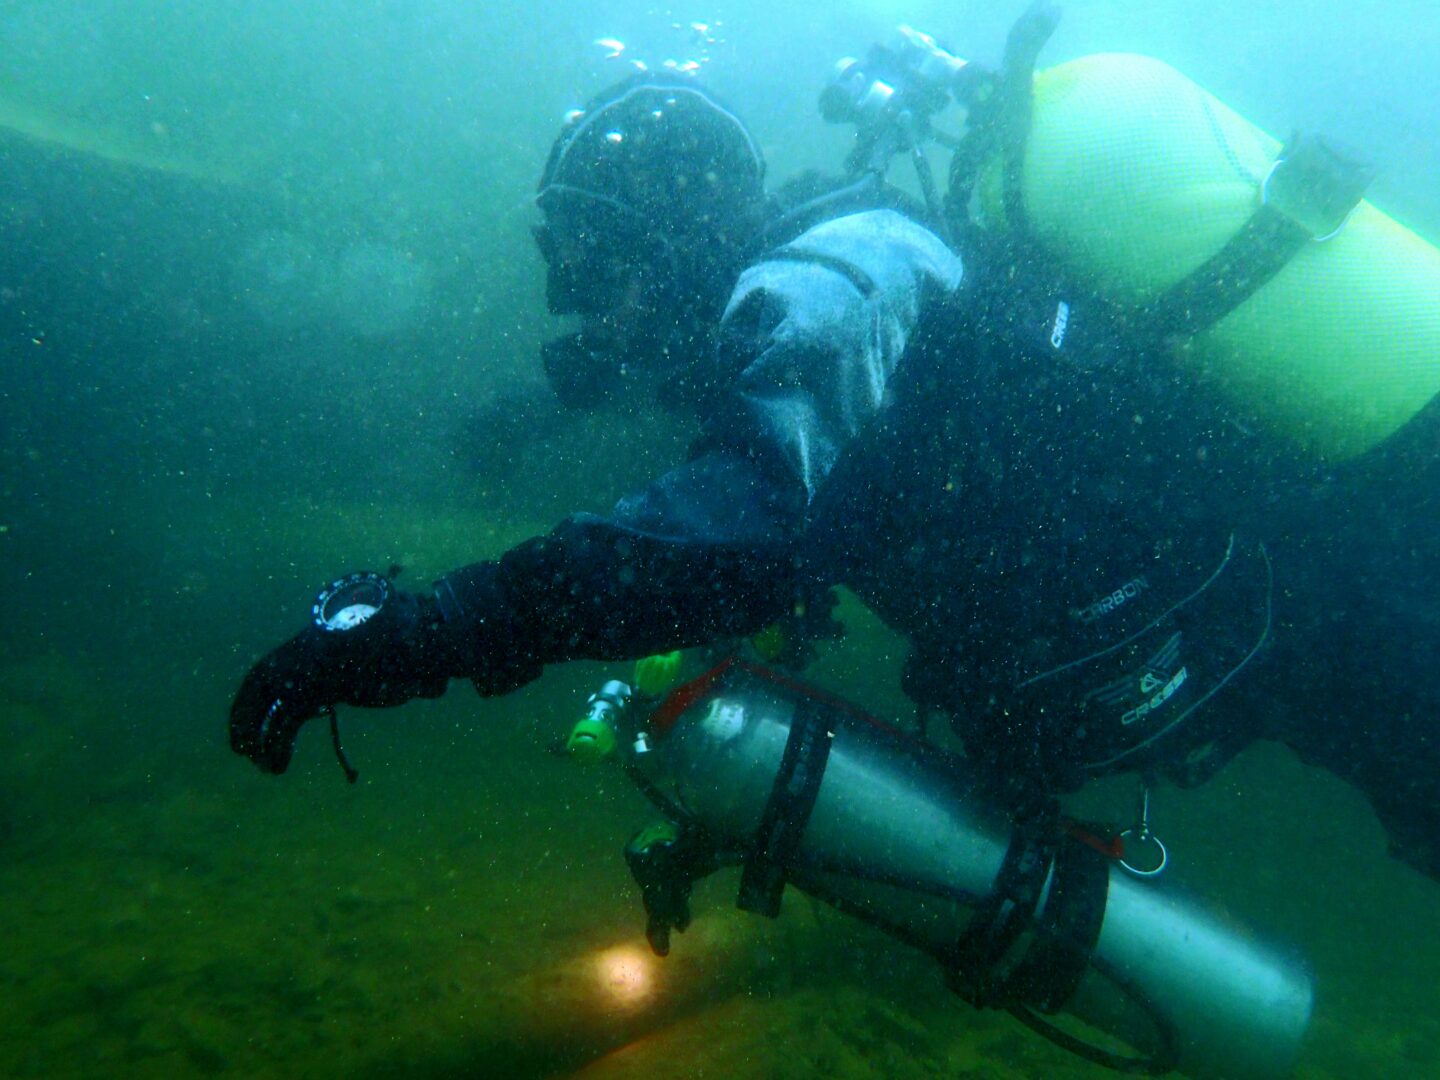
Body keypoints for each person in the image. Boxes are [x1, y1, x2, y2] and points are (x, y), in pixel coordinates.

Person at [230, 27, 1440, 891]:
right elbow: (702, 403)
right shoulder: (822, 285)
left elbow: (734, 534)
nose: (587, 309)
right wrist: (530, 412)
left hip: (1341, 594)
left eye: (602, 268)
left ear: (676, 233)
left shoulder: (834, 278)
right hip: (1264, 623)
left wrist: (434, 630)